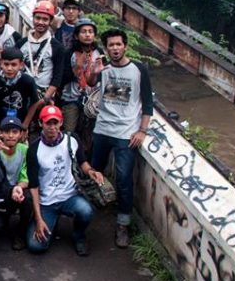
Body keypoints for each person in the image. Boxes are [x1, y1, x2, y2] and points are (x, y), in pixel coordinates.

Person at [91, 28, 153, 249]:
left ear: (125, 45)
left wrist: (142, 131)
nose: (115, 48)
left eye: (118, 44)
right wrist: (95, 71)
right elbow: (88, 84)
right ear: (106, 48)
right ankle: (91, 211)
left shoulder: (139, 70)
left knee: (124, 179)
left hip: (126, 133)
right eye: (111, 45)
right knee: (93, 171)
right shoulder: (103, 67)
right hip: (102, 128)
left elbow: (147, 103)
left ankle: (123, 225)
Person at [27, 105, 104, 256]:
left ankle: (79, 235)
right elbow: (34, 187)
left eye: (55, 123)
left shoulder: (72, 139)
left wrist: (92, 172)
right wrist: (38, 219)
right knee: (36, 246)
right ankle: (49, 223)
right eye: (48, 123)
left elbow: (83, 162)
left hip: (70, 196)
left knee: (86, 211)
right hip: (46, 202)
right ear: (41, 123)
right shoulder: (34, 150)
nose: (52, 127)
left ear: (61, 123)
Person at [0, 116, 31, 250]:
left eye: (15, 132)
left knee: (28, 198)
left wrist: (18, 188)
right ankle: (3, 219)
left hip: (17, 193)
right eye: (6, 131)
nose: (10, 135)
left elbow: (26, 177)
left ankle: (21, 232)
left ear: (21, 134)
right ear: (1, 133)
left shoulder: (24, 150)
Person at [0, 46, 41, 142]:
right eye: (6, 64)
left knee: (21, 152)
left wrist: (25, 124)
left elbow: (35, 102)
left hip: (19, 125)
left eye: (13, 65)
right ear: (0, 63)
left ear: (21, 65)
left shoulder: (27, 81)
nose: (9, 68)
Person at [12, 0, 64, 106]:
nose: (40, 22)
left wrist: (45, 99)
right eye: (38, 18)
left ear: (50, 21)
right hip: (21, 92)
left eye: (45, 19)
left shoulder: (57, 46)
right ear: (33, 18)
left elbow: (57, 76)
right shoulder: (21, 43)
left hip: (44, 94)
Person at [60, 18, 103, 137]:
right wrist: (77, 68)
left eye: (90, 32)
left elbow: (103, 76)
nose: (88, 35)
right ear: (77, 36)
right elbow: (62, 77)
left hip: (92, 100)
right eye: (84, 32)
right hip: (72, 97)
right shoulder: (70, 53)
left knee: (90, 134)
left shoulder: (98, 53)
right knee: (69, 131)